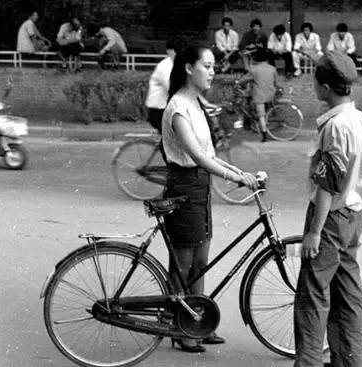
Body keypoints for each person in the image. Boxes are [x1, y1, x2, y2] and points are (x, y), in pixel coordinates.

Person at [162, 44, 258, 353]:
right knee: (184, 262)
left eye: (214, 66)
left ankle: (199, 321)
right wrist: (233, 178)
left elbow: (211, 154)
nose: (213, 71)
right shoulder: (178, 108)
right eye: (207, 65)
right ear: (189, 68)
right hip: (184, 186)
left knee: (201, 261)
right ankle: (179, 325)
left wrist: (241, 172)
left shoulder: (197, 105)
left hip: (199, 186)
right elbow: (197, 157)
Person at [293, 50, 362, 367]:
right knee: (348, 296)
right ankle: (349, 361)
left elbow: (328, 185)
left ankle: (309, 363)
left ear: (326, 87)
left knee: (312, 296)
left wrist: (314, 232)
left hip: (328, 219)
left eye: (316, 81)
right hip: (354, 218)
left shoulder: (335, 127)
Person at [237, 48, 280, 142]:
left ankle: (264, 135)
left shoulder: (254, 69)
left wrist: (238, 82)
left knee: (261, 115)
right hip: (271, 94)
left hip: (260, 96)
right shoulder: (272, 68)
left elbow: (243, 80)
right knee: (264, 110)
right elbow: (277, 83)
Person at [145, 37, 186, 133]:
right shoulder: (164, 67)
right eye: (175, 51)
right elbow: (173, 89)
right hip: (159, 111)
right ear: (168, 51)